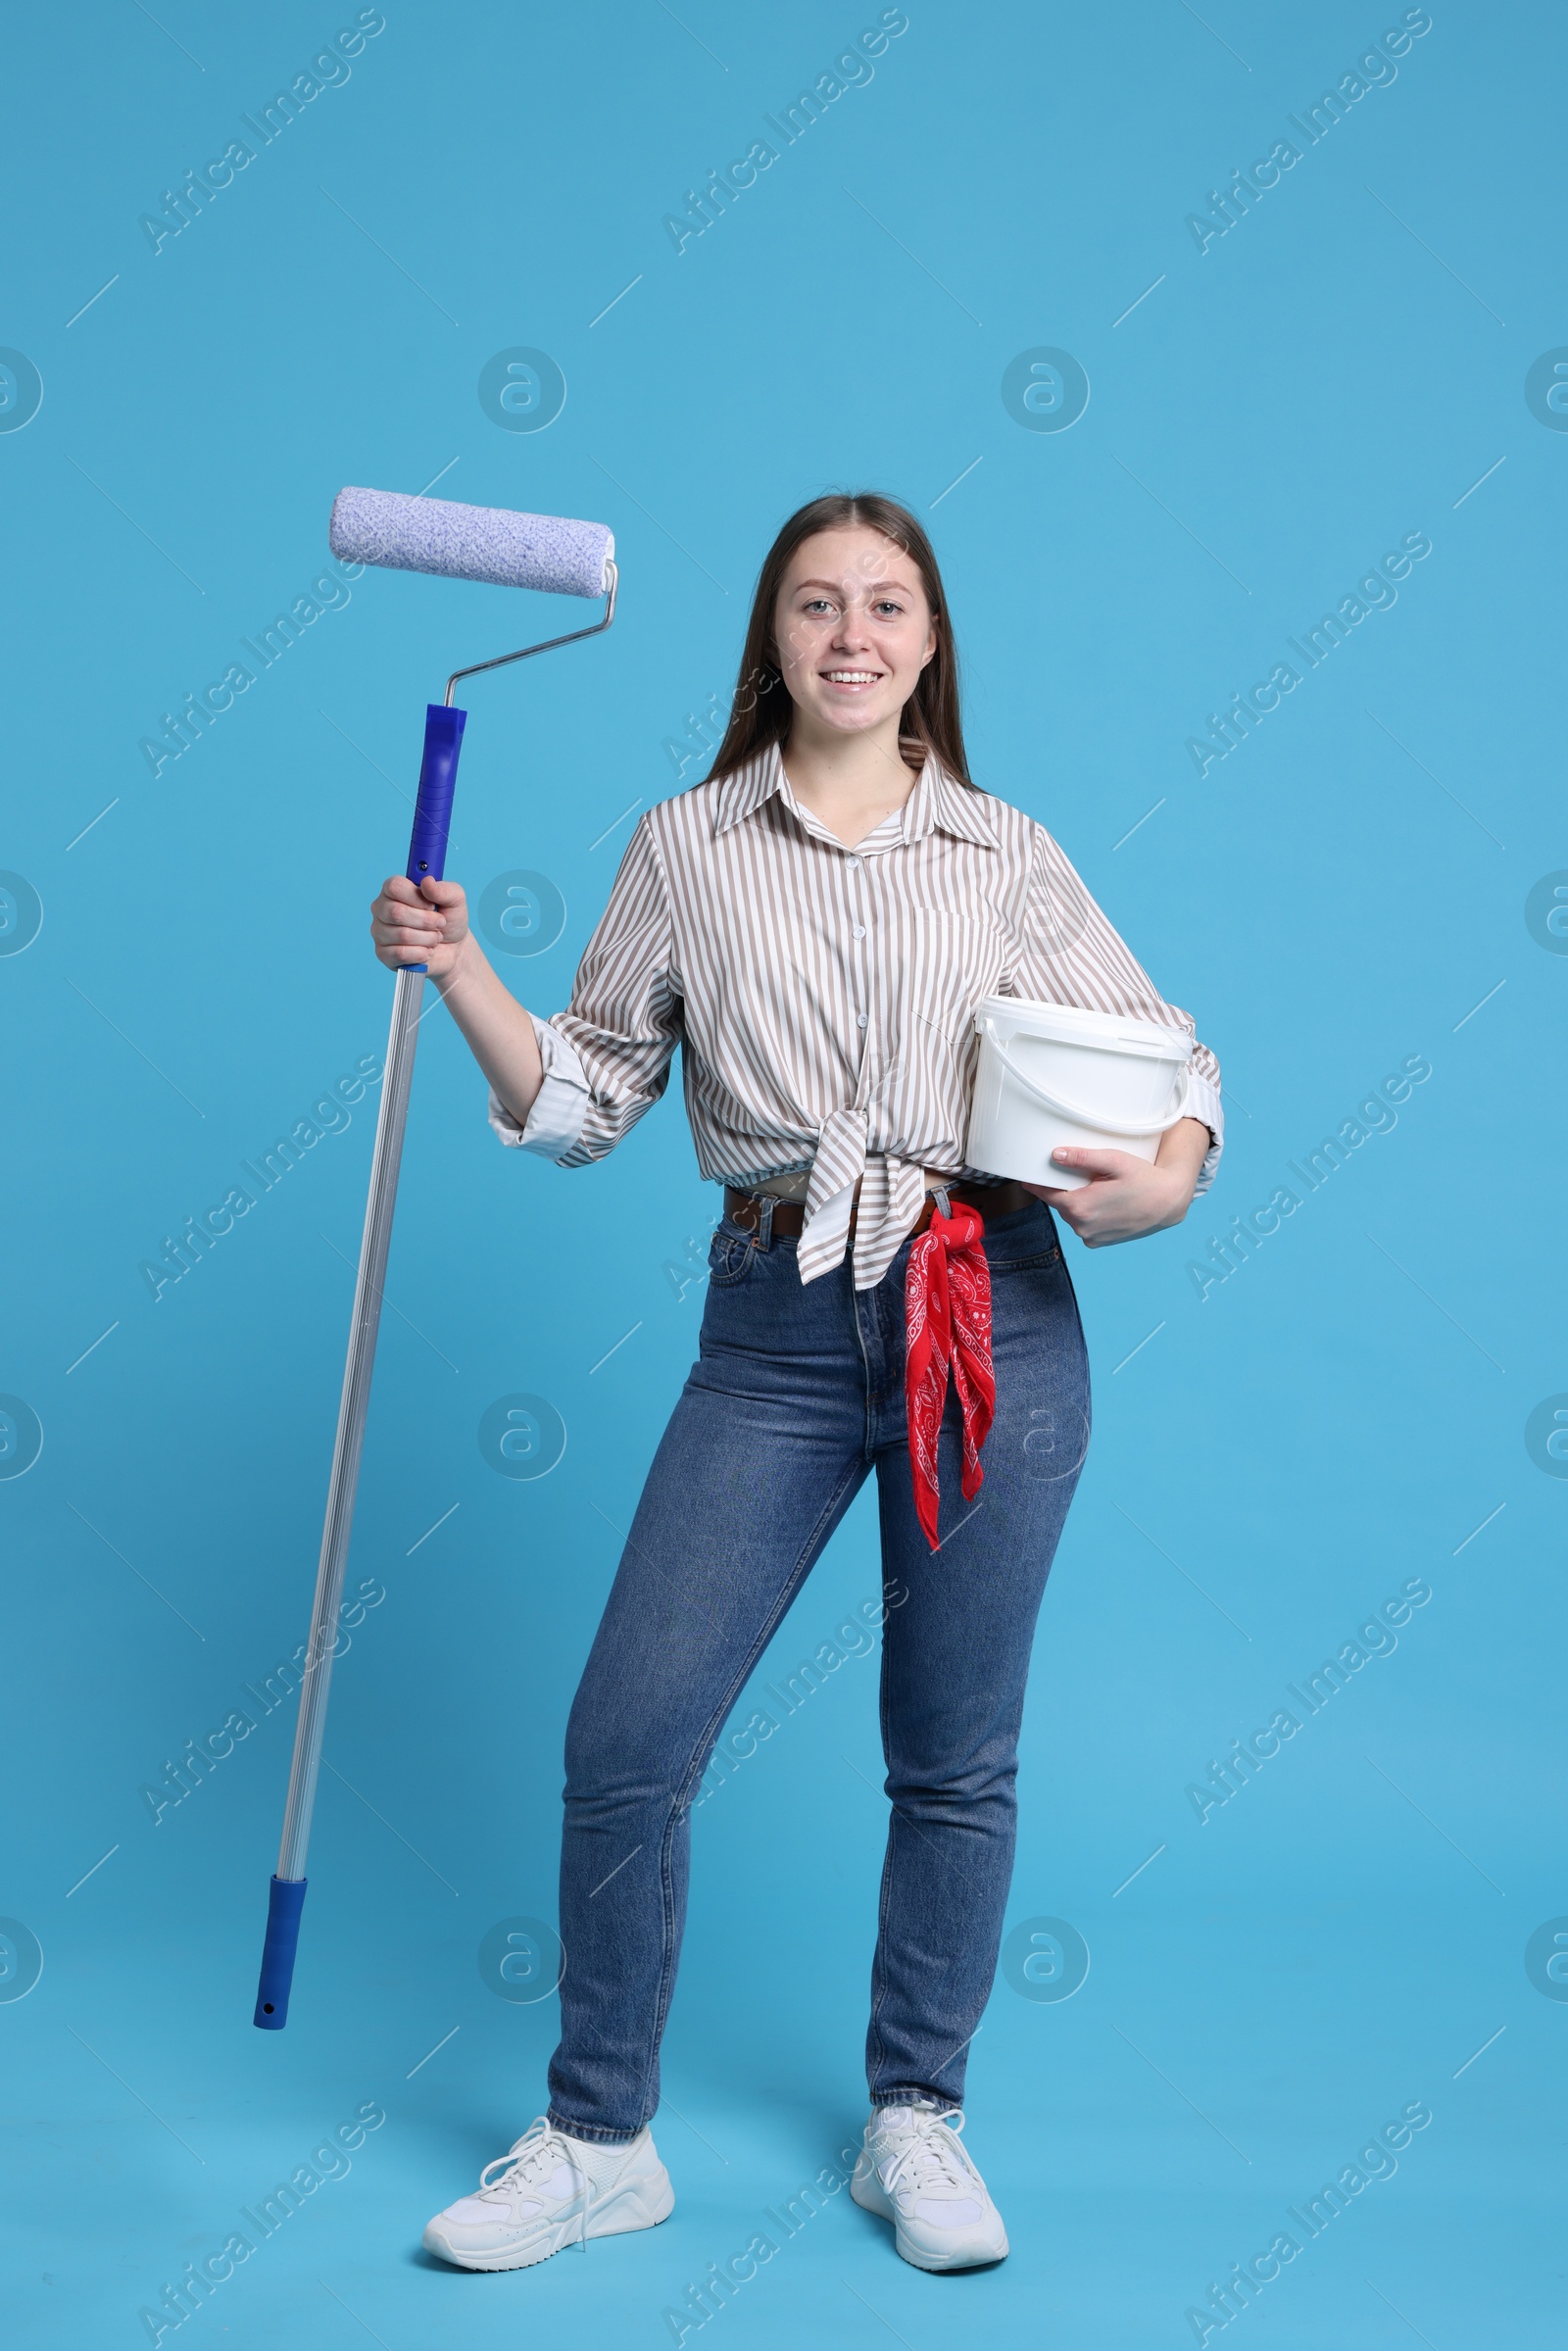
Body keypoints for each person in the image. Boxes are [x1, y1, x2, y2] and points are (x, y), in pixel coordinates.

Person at [371, 492, 1222, 2278]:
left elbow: (1169, 1067)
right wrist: (461, 972)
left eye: (888, 607)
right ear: (770, 638)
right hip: (769, 1326)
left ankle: (918, 2116)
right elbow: (586, 1102)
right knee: (625, 1740)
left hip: (986, 1309)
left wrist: (1170, 1169)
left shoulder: (1005, 851)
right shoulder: (684, 847)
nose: (853, 635)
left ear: (929, 643)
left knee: (952, 1754)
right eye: (817, 606)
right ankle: (601, 2137)